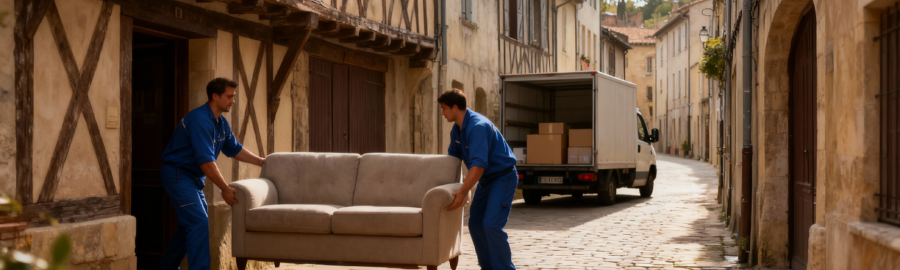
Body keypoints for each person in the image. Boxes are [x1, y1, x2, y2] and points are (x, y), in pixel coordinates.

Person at [159, 78, 266, 270]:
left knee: (188, 226)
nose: (233, 101)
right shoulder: (199, 120)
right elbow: (207, 162)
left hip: (192, 178)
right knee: (199, 222)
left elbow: (234, 149)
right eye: (229, 96)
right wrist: (224, 188)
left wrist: (260, 161)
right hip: (178, 175)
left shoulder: (221, 122)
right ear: (215, 96)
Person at [441, 89, 518, 270]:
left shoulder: (477, 127)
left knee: (491, 225)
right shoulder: (457, 130)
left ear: (454, 107)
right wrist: (449, 187)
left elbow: (478, 166)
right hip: (486, 181)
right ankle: (488, 267)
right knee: (475, 224)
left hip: (502, 177)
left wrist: (463, 191)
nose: (442, 113)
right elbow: (452, 160)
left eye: (444, 109)